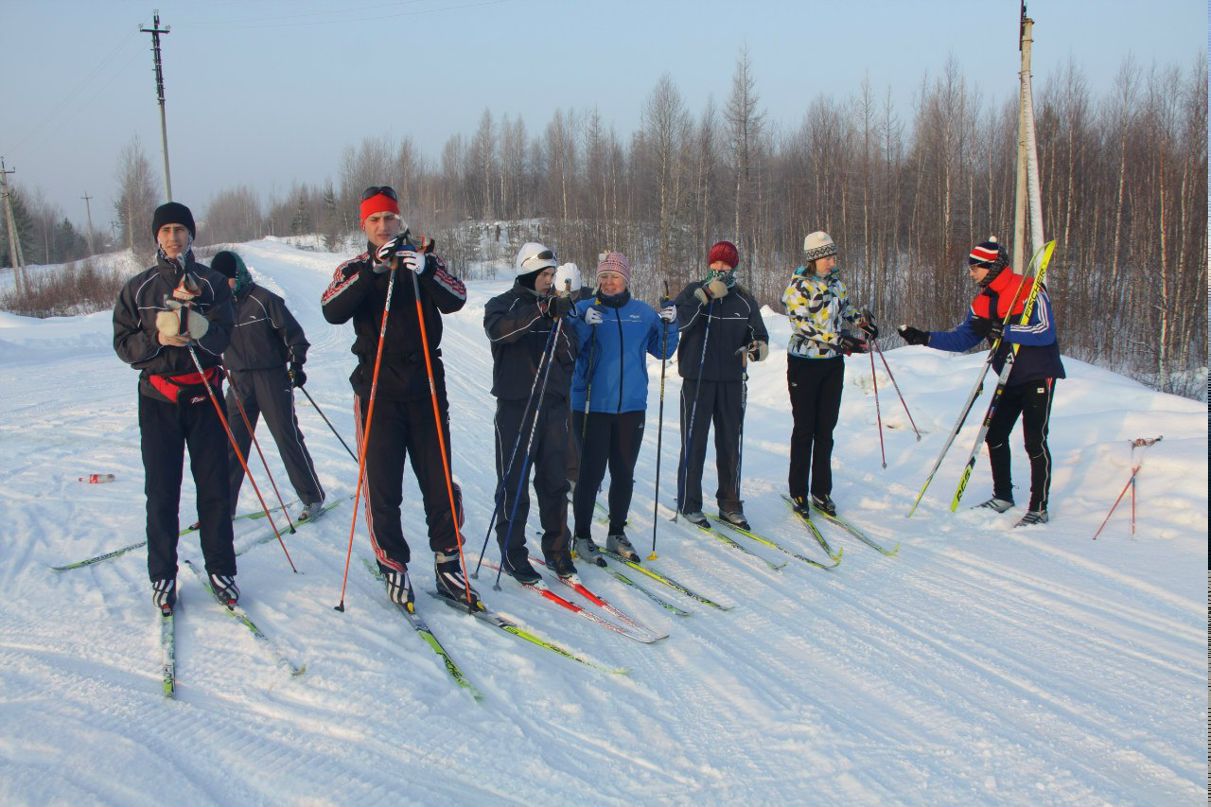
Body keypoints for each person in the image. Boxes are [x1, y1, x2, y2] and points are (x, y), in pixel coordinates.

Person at [320, 186, 479, 608]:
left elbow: (457, 298)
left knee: (438, 478)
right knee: (383, 483)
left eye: (388, 218)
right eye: (374, 220)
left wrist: (425, 269)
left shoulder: (424, 258)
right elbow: (331, 309)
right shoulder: (355, 266)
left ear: (399, 218)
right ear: (364, 226)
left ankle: (448, 561)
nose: (383, 226)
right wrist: (373, 271)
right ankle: (392, 561)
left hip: (425, 383)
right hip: (377, 388)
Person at [113, 202, 238, 613]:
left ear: (191, 235)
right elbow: (124, 344)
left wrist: (199, 329)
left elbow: (224, 336)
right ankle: (163, 575)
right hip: (159, 401)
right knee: (162, 492)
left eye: (180, 229)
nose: (173, 237)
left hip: (204, 396)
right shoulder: (138, 287)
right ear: (156, 236)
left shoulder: (213, 281)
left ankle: (221, 568)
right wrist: (159, 341)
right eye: (165, 230)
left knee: (215, 488)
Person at [899, 238, 1065, 527]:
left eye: (976, 268)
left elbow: (1044, 331)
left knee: (1034, 440)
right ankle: (1003, 496)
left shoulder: (1029, 289)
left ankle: (1038, 507)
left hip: (1038, 373)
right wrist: (924, 337)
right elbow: (964, 338)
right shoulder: (983, 301)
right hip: (1008, 375)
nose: (971, 273)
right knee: (995, 435)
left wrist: (1006, 330)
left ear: (992, 267)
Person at [568, 251, 679, 563]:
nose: (608, 282)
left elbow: (662, 349)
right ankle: (582, 536)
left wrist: (672, 324)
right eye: (603, 276)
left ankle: (616, 532)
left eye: (614, 276)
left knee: (624, 471)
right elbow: (569, 348)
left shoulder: (642, 314)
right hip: (591, 405)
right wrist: (581, 326)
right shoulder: (582, 309)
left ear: (626, 279)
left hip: (631, 406)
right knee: (590, 473)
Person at [483, 243, 579, 583]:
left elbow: (571, 353)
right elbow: (500, 332)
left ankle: (557, 550)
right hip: (516, 405)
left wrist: (561, 319)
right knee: (514, 481)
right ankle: (512, 550)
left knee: (554, 482)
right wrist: (541, 311)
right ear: (526, 273)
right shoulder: (501, 305)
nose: (549, 280)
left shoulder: (558, 307)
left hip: (552, 406)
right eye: (544, 275)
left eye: (552, 275)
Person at [211, 250, 325, 523]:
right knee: (232, 443)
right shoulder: (217, 307)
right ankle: (223, 507)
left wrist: (296, 365)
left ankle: (312, 497)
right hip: (239, 380)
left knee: (286, 437)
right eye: (218, 279)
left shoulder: (264, 300)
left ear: (237, 276)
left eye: (226, 278)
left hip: (271, 377)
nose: (222, 284)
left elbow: (295, 337)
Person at [673, 240, 769, 530]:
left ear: (734, 268)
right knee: (694, 442)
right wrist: (702, 296)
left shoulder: (744, 300)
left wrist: (758, 347)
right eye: (715, 264)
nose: (719, 269)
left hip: (730, 380)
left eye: (725, 265)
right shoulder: (693, 291)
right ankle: (689, 503)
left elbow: (759, 334)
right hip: (697, 379)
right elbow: (674, 322)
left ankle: (729, 504)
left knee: (729, 444)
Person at [781, 231, 875, 519]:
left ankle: (821, 490)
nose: (833, 261)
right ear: (814, 258)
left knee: (826, 429)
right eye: (828, 256)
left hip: (832, 365)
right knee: (804, 428)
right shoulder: (798, 288)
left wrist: (862, 321)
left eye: (833, 256)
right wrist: (838, 340)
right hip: (804, 363)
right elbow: (802, 327)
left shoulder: (836, 284)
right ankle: (798, 489)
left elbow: (845, 310)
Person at [553, 261, 594, 492]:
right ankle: (566, 472)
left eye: (574, 292)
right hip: (558, 373)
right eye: (564, 292)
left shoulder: (586, 302)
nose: (570, 295)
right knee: (561, 426)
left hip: (582, 375)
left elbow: (578, 343)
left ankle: (579, 473)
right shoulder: (552, 302)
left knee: (578, 427)